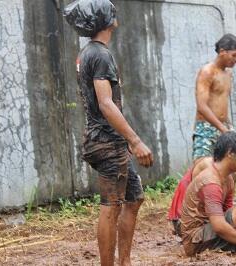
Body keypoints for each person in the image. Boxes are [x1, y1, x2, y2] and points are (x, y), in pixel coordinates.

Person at [73, 2, 153, 265]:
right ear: (107, 21)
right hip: (106, 142)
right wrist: (135, 140)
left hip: (109, 141)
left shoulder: (90, 53)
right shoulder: (100, 55)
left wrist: (125, 139)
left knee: (134, 198)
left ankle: (124, 261)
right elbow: (106, 104)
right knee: (111, 206)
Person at [192, 34, 236, 162]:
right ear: (222, 52)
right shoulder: (207, 71)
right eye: (234, 55)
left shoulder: (228, 74)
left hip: (224, 127)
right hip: (206, 128)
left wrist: (229, 127)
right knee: (203, 167)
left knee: (231, 167)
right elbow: (202, 106)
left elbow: (222, 103)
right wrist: (222, 128)